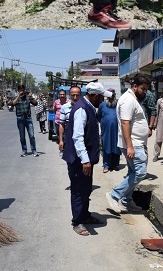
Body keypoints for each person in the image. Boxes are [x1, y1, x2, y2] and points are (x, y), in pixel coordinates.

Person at [63, 81, 106, 235]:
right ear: (95, 95)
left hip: (85, 159)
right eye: (101, 97)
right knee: (78, 190)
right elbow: (78, 137)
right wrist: (85, 160)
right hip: (79, 160)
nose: (102, 100)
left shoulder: (89, 107)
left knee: (86, 188)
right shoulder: (81, 108)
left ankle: (85, 215)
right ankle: (77, 221)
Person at [106, 73, 152, 214]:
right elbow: (125, 123)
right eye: (142, 89)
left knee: (133, 172)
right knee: (140, 173)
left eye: (146, 89)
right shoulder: (128, 100)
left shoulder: (132, 99)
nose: (144, 92)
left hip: (136, 143)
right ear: (135, 86)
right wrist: (130, 146)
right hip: (133, 144)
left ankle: (126, 201)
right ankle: (114, 195)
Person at [12, 85, 39, 157]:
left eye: (23, 90)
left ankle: (34, 150)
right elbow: (12, 104)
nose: (22, 91)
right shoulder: (16, 98)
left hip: (28, 118)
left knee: (32, 135)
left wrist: (31, 97)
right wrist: (18, 97)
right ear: (18, 91)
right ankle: (24, 150)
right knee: (22, 136)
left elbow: (35, 103)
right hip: (20, 119)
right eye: (20, 90)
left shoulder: (28, 97)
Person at [98, 88, 120, 172]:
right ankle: (106, 165)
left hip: (117, 130)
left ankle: (114, 164)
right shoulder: (102, 105)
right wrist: (105, 123)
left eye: (112, 94)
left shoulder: (118, 104)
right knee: (106, 146)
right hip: (106, 130)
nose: (111, 96)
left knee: (116, 146)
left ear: (114, 95)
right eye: (109, 95)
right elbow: (99, 116)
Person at [57, 86, 81, 154]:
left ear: (80, 95)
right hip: (69, 138)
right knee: (70, 160)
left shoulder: (84, 107)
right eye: (73, 95)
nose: (75, 97)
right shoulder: (65, 107)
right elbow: (61, 124)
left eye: (77, 95)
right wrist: (61, 140)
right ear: (69, 95)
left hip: (82, 139)